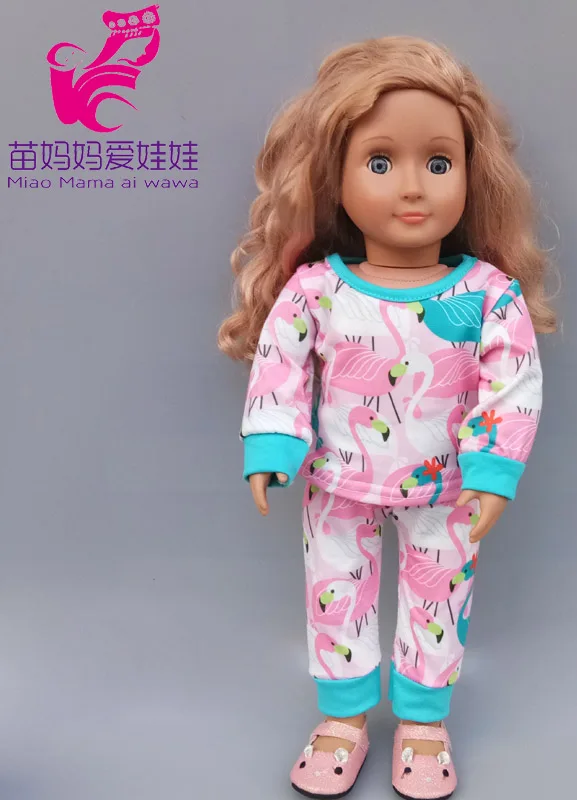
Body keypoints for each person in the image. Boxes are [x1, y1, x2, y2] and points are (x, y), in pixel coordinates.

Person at [217, 35, 557, 800]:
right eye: (379, 162)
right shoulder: (317, 291)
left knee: (440, 600)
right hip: (339, 483)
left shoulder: (485, 295)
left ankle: (424, 722)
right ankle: (342, 718)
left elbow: (514, 382)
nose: (412, 187)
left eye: (438, 163)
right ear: (334, 178)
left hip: (447, 488)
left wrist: (494, 469)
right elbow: (279, 363)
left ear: (471, 174)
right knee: (334, 594)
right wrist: (272, 440)